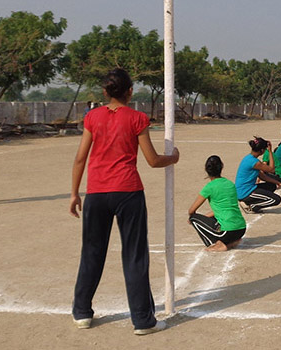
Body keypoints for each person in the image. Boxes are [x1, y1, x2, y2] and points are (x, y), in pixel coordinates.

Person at [67, 69, 179, 335]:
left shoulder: (92, 117)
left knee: (92, 253)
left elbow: (81, 157)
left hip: (96, 193)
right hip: (128, 192)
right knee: (134, 255)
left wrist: (74, 193)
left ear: (106, 92)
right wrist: (173, 157)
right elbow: (152, 160)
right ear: (130, 91)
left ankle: (82, 312)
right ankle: (142, 320)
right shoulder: (137, 118)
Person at [187, 155, 247, 251]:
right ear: (221, 167)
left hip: (228, 231)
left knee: (193, 217)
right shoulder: (230, 184)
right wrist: (205, 218)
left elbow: (192, 210)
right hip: (241, 229)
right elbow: (224, 208)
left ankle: (217, 243)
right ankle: (231, 241)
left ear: (206, 169)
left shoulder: (209, 187)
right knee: (214, 218)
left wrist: (195, 219)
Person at [237, 137, 281, 213]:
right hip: (245, 192)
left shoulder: (248, 158)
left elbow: (262, 176)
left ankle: (250, 202)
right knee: (276, 199)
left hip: (246, 189)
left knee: (271, 186)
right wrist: (270, 151)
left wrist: (278, 183)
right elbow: (272, 169)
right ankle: (252, 207)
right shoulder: (255, 162)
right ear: (262, 150)